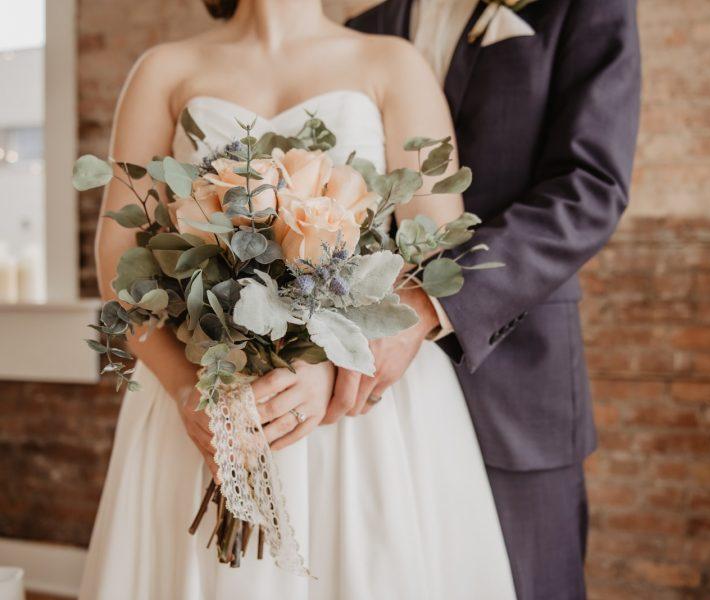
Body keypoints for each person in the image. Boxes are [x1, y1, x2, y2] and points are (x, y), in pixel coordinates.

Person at [79, 0, 517, 598]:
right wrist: (189, 388)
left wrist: (327, 363)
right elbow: (118, 259)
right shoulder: (164, 69)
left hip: (359, 410)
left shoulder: (392, 63)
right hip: (210, 394)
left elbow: (436, 253)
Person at [334, 1, 641, 598]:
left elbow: (590, 187)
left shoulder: (586, 7)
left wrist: (429, 303)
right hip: (370, 404)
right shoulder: (363, 29)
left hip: (515, 381)